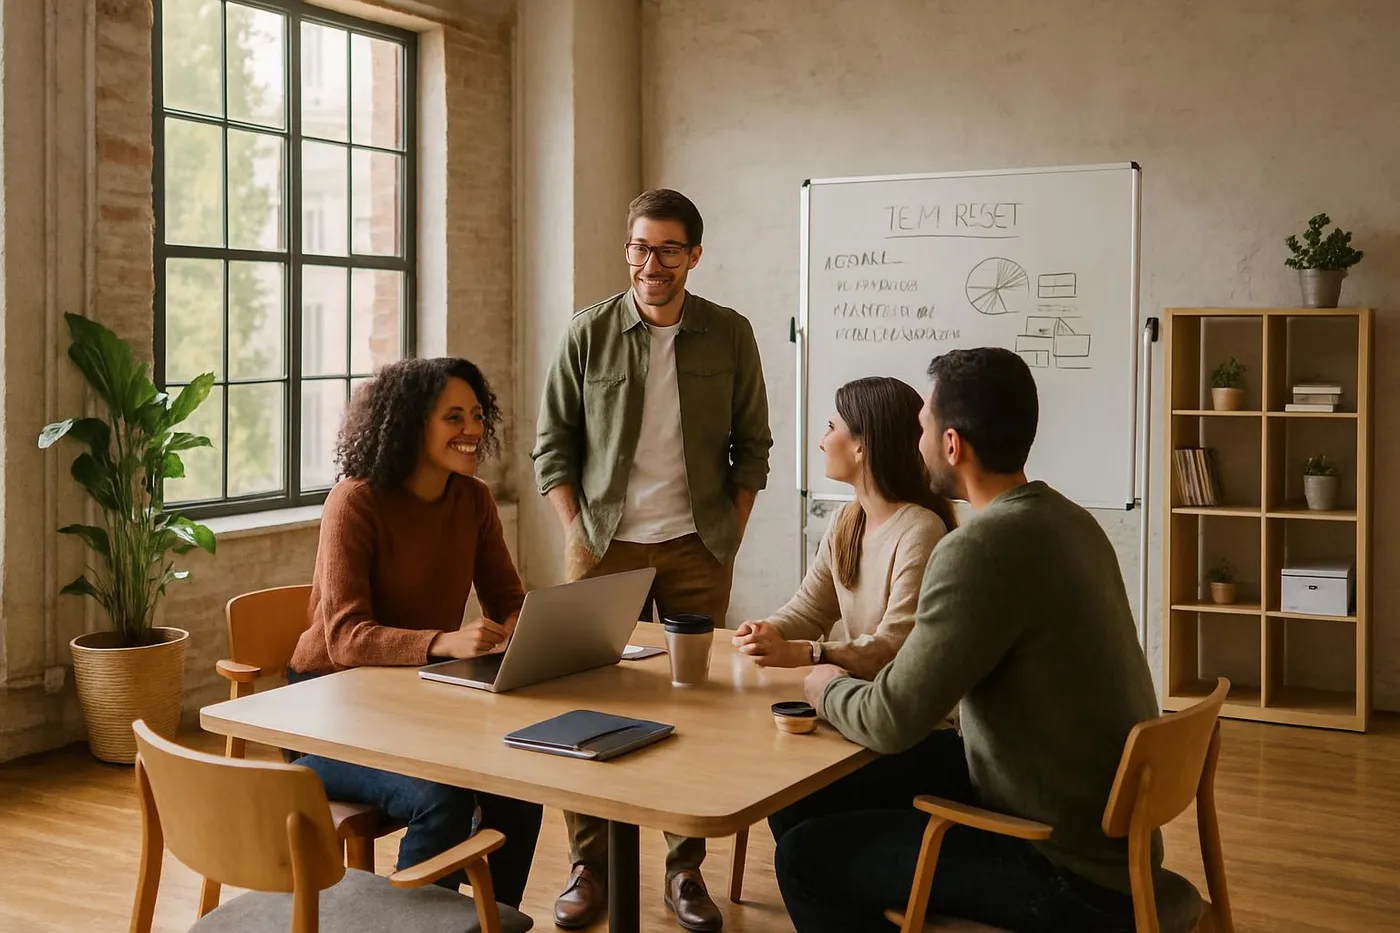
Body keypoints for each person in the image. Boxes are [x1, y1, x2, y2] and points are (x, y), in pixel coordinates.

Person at [773, 347, 1163, 933]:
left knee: (803, 857)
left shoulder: (979, 549)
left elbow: (892, 718)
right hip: (1092, 822)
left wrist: (824, 683)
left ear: (952, 446)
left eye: (923, 426)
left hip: (1062, 866)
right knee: (800, 799)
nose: (915, 439)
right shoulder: (1069, 520)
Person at [531, 188, 773, 932]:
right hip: (603, 546)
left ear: (695, 255)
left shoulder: (730, 335)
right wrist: (577, 529)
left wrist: (724, 534)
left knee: (692, 708)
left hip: (697, 547)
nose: (652, 262)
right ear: (626, 250)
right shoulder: (587, 333)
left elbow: (752, 448)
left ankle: (684, 870)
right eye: (640, 246)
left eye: (669, 248)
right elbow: (553, 447)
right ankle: (587, 866)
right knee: (588, 700)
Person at [287, 357, 543, 908]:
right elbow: (345, 639)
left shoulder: (472, 500)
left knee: (522, 789)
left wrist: (534, 632)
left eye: (477, 415)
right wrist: (442, 643)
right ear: (410, 423)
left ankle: (489, 922)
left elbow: (509, 602)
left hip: (416, 699)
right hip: (326, 711)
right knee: (442, 800)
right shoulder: (354, 501)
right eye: (454, 417)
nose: (473, 430)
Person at [732, 375, 956, 681]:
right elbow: (812, 608)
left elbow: (896, 648)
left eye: (831, 427)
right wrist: (768, 630)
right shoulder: (845, 521)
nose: (822, 442)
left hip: (897, 712)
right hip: (859, 695)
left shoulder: (921, 530)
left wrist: (808, 653)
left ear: (861, 447)